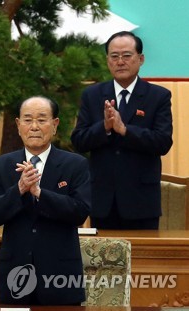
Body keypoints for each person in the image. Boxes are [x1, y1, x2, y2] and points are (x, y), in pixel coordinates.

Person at [0, 96, 90, 305]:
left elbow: (79, 212)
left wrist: (40, 193)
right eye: (28, 120)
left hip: (60, 275)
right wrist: (20, 189)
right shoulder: (2, 165)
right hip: (15, 274)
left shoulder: (75, 165)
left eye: (41, 120)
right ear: (18, 125)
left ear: (55, 124)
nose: (34, 127)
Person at [71, 31, 173, 230]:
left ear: (140, 59)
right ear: (107, 60)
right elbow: (79, 140)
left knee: (142, 259)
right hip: (102, 201)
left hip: (141, 201)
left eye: (127, 56)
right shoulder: (92, 95)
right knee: (101, 260)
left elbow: (162, 142)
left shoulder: (158, 96)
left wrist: (125, 130)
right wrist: (105, 128)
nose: (120, 62)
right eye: (114, 56)